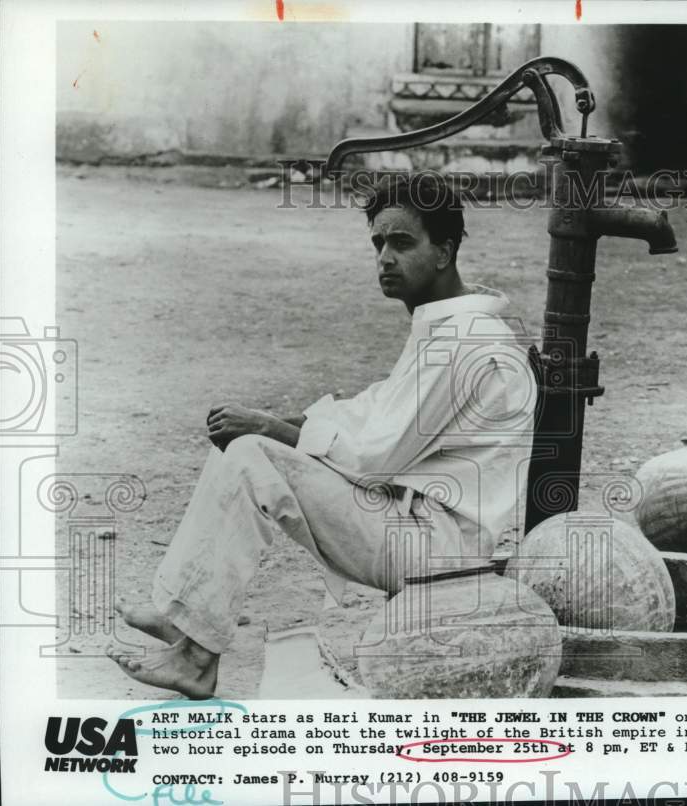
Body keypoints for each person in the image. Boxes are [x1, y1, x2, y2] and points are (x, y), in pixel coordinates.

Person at [107, 172, 537, 699]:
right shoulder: (447, 323)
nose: (385, 257)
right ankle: (184, 619)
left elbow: (375, 453)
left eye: (403, 243)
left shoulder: (464, 339)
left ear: (444, 251)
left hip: (441, 548)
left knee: (251, 453)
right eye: (379, 243)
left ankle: (195, 656)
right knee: (246, 444)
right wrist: (286, 421)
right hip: (415, 523)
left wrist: (273, 429)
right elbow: (373, 409)